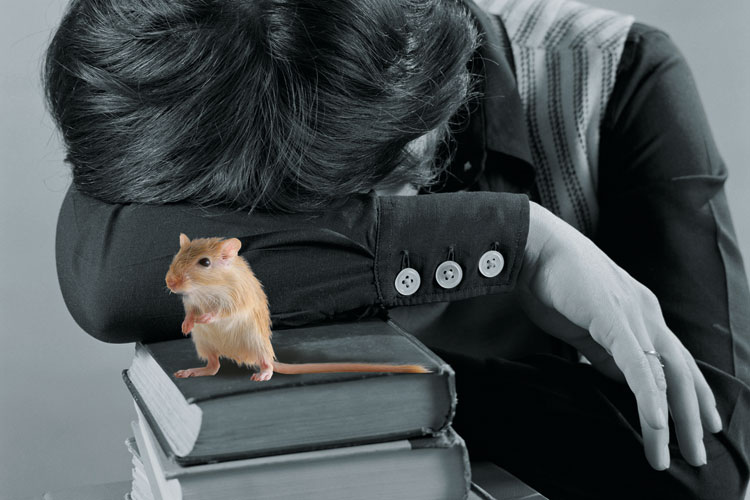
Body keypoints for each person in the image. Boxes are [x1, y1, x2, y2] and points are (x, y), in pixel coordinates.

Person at [43, 0, 750, 498]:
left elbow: (703, 463)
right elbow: (108, 277)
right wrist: (519, 240)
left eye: (345, 202)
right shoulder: (180, 113)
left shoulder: (614, 74)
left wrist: (398, 399)